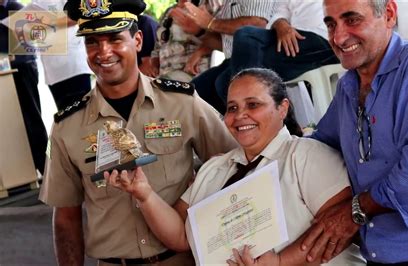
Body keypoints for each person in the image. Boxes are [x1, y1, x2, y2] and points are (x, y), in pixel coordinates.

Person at [38, 0, 237, 265]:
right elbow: (66, 216)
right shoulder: (67, 126)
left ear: (138, 40)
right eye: (92, 42)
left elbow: (234, 164)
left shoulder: (182, 103)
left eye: (114, 39)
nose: (103, 52)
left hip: (182, 259)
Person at [105, 68, 365, 265]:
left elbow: (340, 230)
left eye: (253, 105)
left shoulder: (307, 156)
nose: (240, 115)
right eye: (232, 107)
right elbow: (181, 238)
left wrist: (281, 262)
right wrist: (145, 194)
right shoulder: (215, 169)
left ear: (282, 107)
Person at [301, 0, 408, 265]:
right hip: (382, 255)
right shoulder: (349, 87)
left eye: (352, 20)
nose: (338, 36)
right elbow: (320, 145)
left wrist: (354, 212)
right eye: (331, 24)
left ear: (389, 14)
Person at [228, 0, 339, 97]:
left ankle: (255, 106)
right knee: (220, 79)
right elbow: (279, 14)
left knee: (245, 35)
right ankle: (270, 113)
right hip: (293, 43)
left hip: (322, 40)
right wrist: (281, 24)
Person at [183, 0, 275, 114]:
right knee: (192, 93)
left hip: (261, 56)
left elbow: (256, 24)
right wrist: (200, 36)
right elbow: (225, 39)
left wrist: (211, 23)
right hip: (234, 60)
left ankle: (284, 126)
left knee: (225, 87)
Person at [0, 0, 48, 174]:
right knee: (15, 125)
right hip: (6, 75)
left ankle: (46, 168)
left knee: (32, 118)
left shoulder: (16, 7)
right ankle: (27, 170)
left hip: (23, 69)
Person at [34, 0, 93, 110]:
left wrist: (47, 24)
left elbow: (77, 16)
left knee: (83, 113)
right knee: (65, 116)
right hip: (52, 70)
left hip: (72, 65)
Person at [149, 0, 219, 82]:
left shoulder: (208, 4)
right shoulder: (168, 11)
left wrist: (200, 47)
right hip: (165, 77)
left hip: (195, 75)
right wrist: (154, 62)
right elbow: (158, 45)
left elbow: (223, 39)